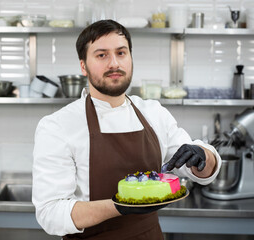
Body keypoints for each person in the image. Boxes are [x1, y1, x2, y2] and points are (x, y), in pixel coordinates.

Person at [32, 19, 221, 240]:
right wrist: (118, 206)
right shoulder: (58, 125)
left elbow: (201, 172)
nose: (114, 63)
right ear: (83, 65)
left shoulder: (153, 113)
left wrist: (204, 156)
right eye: (101, 55)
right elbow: (51, 213)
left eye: (121, 53)